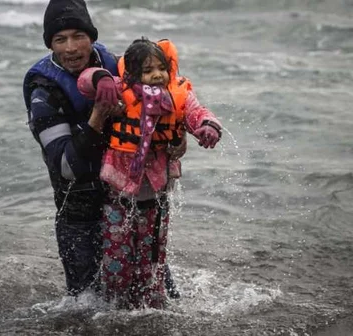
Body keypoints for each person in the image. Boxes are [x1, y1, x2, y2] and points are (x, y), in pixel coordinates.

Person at [22, 0, 181, 298]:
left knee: (161, 298)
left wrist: (175, 140)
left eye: (78, 36)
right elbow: (68, 168)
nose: (71, 47)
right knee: (87, 309)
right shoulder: (44, 92)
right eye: (60, 39)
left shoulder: (118, 65)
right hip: (80, 213)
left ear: (92, 37)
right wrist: (99, 114)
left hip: (129, 201)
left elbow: (166, 105)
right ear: (50, 44)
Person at [76, 38, 222, 308]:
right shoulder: (120, 91)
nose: (156, 75)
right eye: (147, 70)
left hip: (156, 199)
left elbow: (197, 112)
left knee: (153, 260)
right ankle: (116, 308)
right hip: (118, 198)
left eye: (161, 68)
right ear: (131, 75)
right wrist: (101, 78)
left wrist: (208, 126)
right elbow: (83, 82)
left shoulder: (177, 94)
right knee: (117, 261)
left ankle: (150, 308)